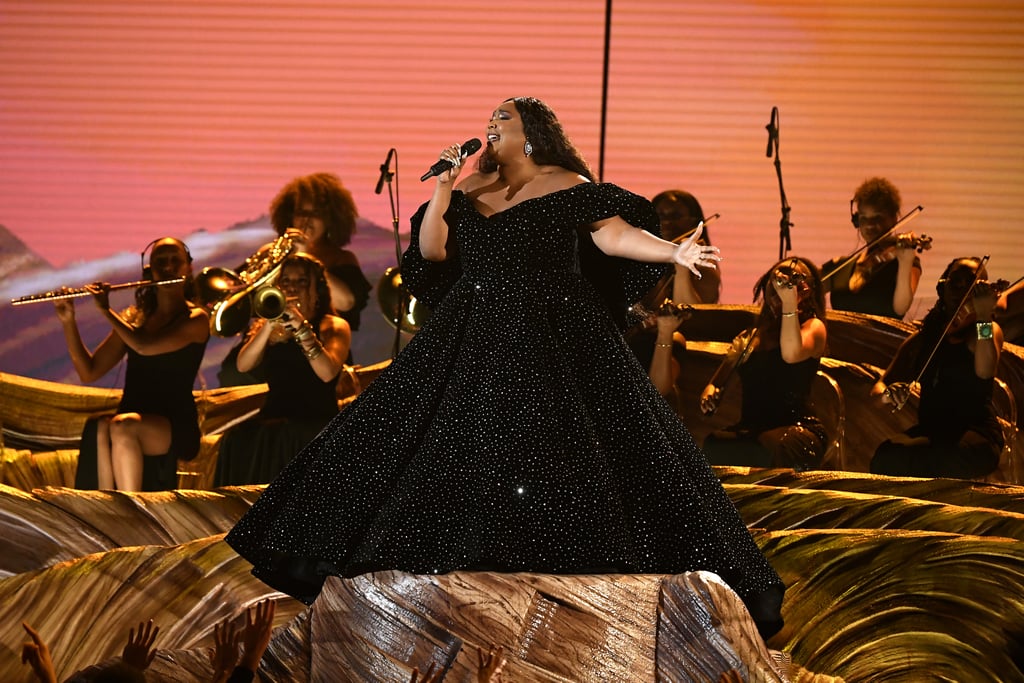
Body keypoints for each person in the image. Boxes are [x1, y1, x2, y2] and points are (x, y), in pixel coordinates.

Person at [225, 96, 786, 640]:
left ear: (533, 131)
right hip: (476, 330)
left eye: (504, 117)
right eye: (489, 117)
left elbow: (613, 236)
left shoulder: (567, 185)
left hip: (557, 331)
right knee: (424, 440)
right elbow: (434, 251)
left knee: (580, 446)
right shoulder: (469, 186)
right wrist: (445, 185)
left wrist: (672, 253)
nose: (491, 124)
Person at [56, 237, 209, 491]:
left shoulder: (196, 319)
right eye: (161, 262)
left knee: (122, 426)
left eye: (176, 261)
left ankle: (134, 512)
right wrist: (68, 321)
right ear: (149, 271)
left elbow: (143, 347)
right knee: (100, 427)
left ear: (189, 268)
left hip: (173, 425)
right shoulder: (136, 319)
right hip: (131, 416)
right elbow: (89, 371)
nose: (169, 267)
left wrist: (106, 311)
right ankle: (107, 510)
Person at [214, 253, 349, 486]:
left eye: (301, 281)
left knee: (289, 439)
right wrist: (268, 325)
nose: (292, 288)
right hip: (274, 423)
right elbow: (243, 365)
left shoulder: (333, 325)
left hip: (314, 424)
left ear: (316, 290)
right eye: (286, 282)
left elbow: (327, 373)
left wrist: (301, 328)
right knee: (236, 441)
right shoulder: (268, 328)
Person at [870, 257, 1005, 479]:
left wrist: (983, 317)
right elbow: (878, 390)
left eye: (971, 284)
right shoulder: (923, 338)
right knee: (886, 458)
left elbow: (985, 370)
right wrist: (888, 395)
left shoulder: (985, 330)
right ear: (942, 288)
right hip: (932, 432)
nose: (961, 288)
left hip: (975, 433)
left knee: (942, 459)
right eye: (955, 282)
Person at [700, 257, 829, 471]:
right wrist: (710, 394)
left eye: (794, 277)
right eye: (778, 275)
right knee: (715, 443)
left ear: (806, 291)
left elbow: (791, 353)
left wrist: (790, 303)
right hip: (751, 427)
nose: (784, 279)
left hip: (797, 427)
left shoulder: (814, 327)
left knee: (771, 445)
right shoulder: (749, 337)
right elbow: (716, 383)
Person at [269, 172, 372, 335]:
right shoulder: (272, 252)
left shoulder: (342, 258)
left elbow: (346, 302)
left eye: (316, 214)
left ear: (330, 220)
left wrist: (306, 257)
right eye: (301, 213)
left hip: (323, 342)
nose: (306, 221)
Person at [821, 177, 924, 319]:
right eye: (864, 218)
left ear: (894, 219)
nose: (869, 225)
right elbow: (808, 288)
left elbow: (900, 308)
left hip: (881, 340)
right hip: (840, 340)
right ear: (856, 220)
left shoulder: (905, 263)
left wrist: (905, 262)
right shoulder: (842, 266)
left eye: (878, 218)